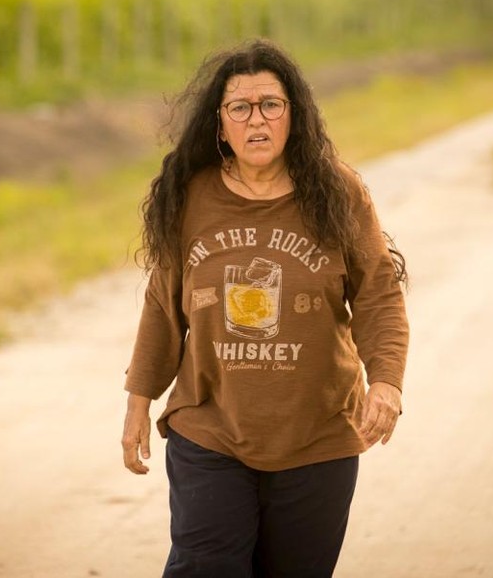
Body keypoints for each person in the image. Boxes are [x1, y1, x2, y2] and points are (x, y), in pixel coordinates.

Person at [121, 38, 410, 578]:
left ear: (293, 117)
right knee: (203, 567)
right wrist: (140, 400)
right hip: (210, 429)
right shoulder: (190, 197)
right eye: (240, 107)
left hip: (317, 436)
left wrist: (387, 382)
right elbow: (163, 306)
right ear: (220, 125)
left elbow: (378, 292)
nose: (257, 120)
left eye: (271, 105)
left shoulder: (337, 192)